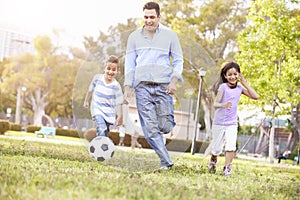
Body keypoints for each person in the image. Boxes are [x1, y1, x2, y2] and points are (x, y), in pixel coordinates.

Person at [123, 2, 183, 170]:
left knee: (164, 126)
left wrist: (174, 81)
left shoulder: (170, 36)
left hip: (164, 86)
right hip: (142, 87)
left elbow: (178, 60)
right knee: (149, 129)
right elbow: (130, 63)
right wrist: (128, 87)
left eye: (152, 17)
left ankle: (168, 122)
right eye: (146, 17)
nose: (148, 20)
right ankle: (167, 161)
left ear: (159, 17)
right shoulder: (134, 37)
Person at [208, 61, 259, 176]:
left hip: (232, 123)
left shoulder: (240, 89)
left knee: (230, 146)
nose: (232, 77)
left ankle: (227, 168)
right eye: (229, 74)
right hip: (219, 123)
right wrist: (223, 105)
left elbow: (255, 96)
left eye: (235, 74)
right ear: (225, 76)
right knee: (216, 148)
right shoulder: (223, 87)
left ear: (239, 75)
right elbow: (215, 104)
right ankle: (213, 160)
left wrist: (244, 83)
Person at [83, 55, 123, 139]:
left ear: (117, 70)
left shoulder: (116, 86)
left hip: (109, 111)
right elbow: (90, 90)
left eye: (113, 70)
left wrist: (120, 116)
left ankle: (103, 147)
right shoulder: (97, 79)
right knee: (102, 127)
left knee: (106, 131)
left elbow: (119, 102)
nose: (110, 72)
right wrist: (86, 101)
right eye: (108, 68)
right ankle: (100, 145)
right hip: (97, 108)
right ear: (105, 68)